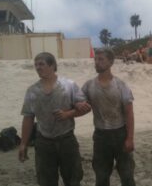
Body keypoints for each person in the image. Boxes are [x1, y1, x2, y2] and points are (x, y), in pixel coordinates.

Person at [19, 52, 91, 186]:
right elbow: (28, 117)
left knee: (73, 179)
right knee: (46, 181)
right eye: (36, 65)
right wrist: (23, 143)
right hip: (43, 143)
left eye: (42, 64)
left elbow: (86, 108)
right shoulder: (32, 91)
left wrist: (68, 114)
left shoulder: (68, 85)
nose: (38, 67)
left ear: (52, 65)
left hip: (66, 140)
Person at [78, 48, 136, 186]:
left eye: (101, 59)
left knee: (127, 174)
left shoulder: (121, 85)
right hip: (100, 136)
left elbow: (129, 113)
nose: (97, 62)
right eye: (95, 59)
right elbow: (79, 104)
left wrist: (130, 138)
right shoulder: (89, 85)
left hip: (120, 134)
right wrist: (76, 107)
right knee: (101, 176)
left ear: (110, 62)